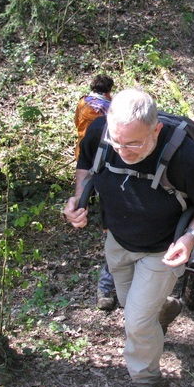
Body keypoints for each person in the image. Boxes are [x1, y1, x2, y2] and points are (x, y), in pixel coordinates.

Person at [64, 89, 194, 387]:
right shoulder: (100, 133)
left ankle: (145, 378)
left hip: (162, 249)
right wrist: (78, 197)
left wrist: (191, 237)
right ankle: (163, 308)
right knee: (131, 306)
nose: (123, 151)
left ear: (155, 130)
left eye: (134, 144)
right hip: (118, 239)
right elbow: (86, 162)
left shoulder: (185, 157)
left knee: (136, 321)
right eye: (117, 142)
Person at [73, 74, 118, 311]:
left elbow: (76, 122)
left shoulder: (83, 102)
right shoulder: (108, 109)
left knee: (89, 186)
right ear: (108, 89)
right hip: (101, 151)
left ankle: (85, 207)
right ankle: (108, 288)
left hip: (85, 148)